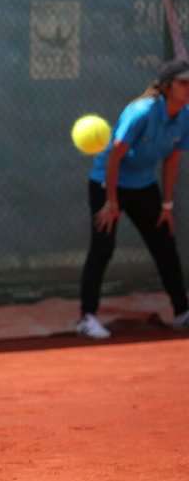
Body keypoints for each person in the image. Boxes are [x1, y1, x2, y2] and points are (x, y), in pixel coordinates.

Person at [77, 58, 189, 339]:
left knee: (164, 243)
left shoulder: (186, 116)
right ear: (166, 87)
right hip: (108, 183)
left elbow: (172, 161)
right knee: (103, 248)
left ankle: (182, 313)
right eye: (184, 83)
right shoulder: (140, 112)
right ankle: (86, 318)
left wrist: (166, 205)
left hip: (144, 185)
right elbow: (114, 157)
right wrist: (111, 201)